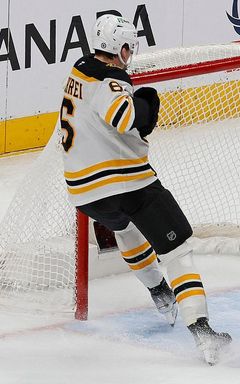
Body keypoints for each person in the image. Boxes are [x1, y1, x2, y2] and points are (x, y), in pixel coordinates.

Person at [57, 14, 230, 365]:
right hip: (126, 181)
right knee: (178, 249)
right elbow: (123, 117)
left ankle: (159, 293)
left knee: (126, 226)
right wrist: (146, 106)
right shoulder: (111, 78)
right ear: (120, 48)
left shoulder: (80, 69)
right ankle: (202, 331)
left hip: (84, 193)